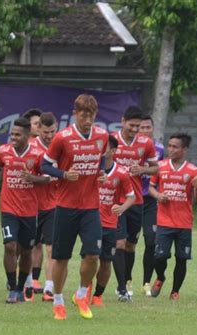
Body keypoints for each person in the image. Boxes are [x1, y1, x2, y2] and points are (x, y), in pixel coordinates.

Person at [41, 94, 109, 320]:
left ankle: (81, 294)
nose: (87, 120)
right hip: (66, 207)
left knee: (93, 255)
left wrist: (101, 174)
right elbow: (44, 166)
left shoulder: (102, 136)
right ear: (75, 114)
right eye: (83, 115)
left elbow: (100, 162)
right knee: (61, 258)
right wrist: (63, 174)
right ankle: (58, 302)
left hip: (91, 206)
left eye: (91, 115)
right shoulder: (62, 138)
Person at [0, 117, 46, 303]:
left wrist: (33, 179)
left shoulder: (38, 154)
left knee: (26, 251)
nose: (13, 138)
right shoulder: (3, 151)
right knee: (9, 245)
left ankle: (20, 287)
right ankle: (11, 287)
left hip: (29, 210)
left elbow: (48, 178)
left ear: (27, 135)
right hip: (8, 208)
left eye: (17, 135)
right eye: (12, 134)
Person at [149, 133, 197, 300]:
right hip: (164, 221)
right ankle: (160, 277)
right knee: (159, 256)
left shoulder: (193, 171)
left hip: (184, 223)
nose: (170, 149)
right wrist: (158, 196)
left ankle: (175, 292)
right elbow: (151, 187)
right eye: (169, 145)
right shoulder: (160, 166)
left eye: (175, 147)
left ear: (184, 149)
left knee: (181, 259)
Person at [112, 106, 158, 300]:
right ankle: (122, 287)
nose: (134, 129)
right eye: (131, 125)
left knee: (131, 245)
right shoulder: (111, 140)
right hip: (114, 200)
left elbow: (156, 168)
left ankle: (127, 280)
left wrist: (142, 170)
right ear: (123, 121)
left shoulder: (145, 143)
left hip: (136, 201)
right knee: (119, 243)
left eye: (138, 126)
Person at [90, 135, 135, 306]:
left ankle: (98, 295)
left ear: (113, 151)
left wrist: (122, 208)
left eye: (104, 147)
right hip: (91, 221)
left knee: (106, 261)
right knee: (90, 257)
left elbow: (131, 196)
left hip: (110, 223)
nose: (100, 150)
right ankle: (85, 290)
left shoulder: (122, 173)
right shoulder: (92, 168)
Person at [32, 111, 58, 300]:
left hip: (53, 204)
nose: (49, 136)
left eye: (52, 132)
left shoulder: (61, 146)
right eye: (46, 132)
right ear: (38, 128)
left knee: (51, 248)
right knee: (30, 246)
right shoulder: (31, 147)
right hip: (31, 204)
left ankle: (49, 288)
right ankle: (31, 282)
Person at [138, 115, 165, 296]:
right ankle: (125, 283)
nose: (146, 131)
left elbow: (161, 173)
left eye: (148, 127)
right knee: (126, 243)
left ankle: (147, 282)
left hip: (150, 201)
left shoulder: (160, 149)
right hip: (130, 200)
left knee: (151, 241)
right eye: (142, 128)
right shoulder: (131, 147)